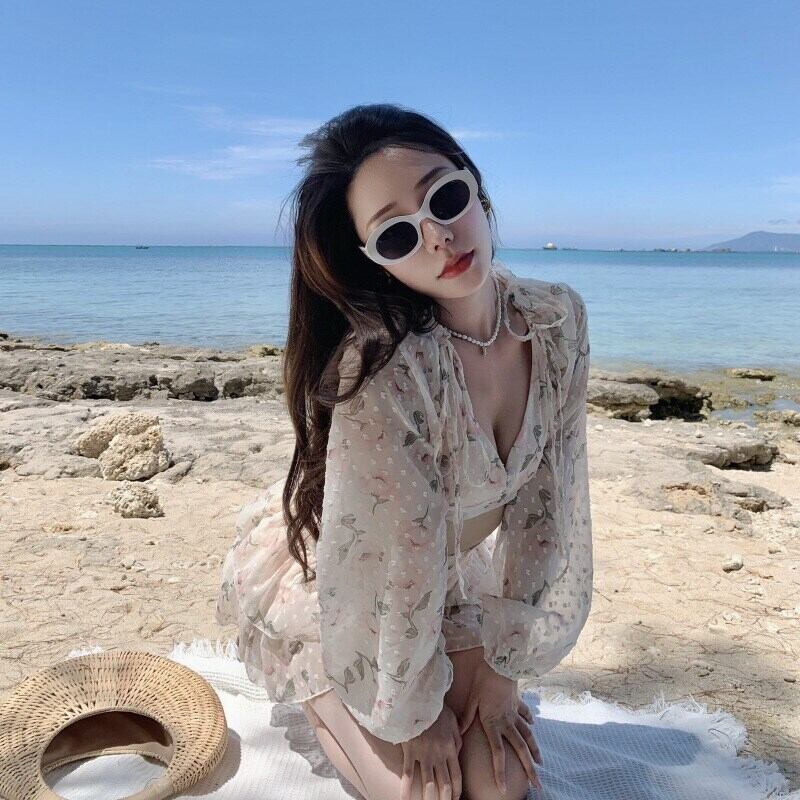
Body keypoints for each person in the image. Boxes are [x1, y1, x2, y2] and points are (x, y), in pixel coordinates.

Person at [216, 102, 593, 800]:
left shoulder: (556, 321)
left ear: (475, 186)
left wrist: (504, 673)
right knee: (428, 795)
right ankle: (318, 693)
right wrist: (416, 716)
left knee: (501, 785)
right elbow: (390, 567)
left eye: (444, 198)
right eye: (397, 235)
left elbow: (551, 508)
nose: (439, 236)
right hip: (343, 578)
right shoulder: (387, 370)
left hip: (441, 572)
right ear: (374, 263)